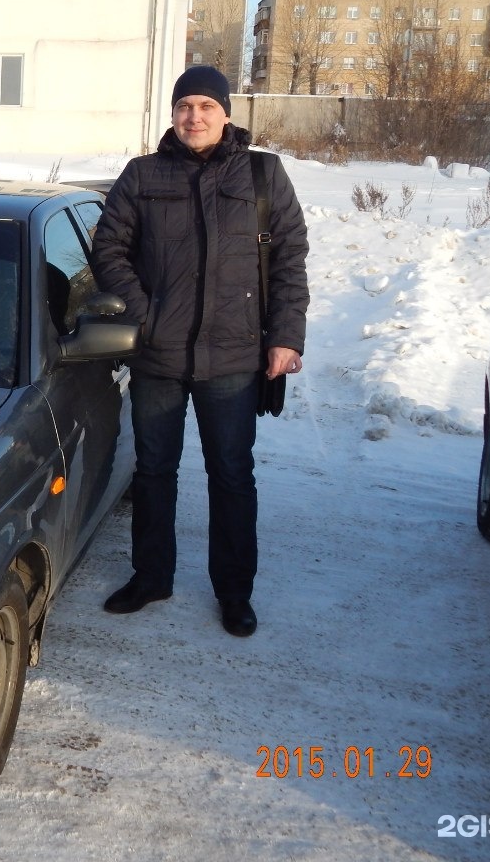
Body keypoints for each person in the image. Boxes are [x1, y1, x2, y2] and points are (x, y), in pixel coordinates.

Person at [90, 65, 309, 637]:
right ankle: (151, 577)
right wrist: (146, 314)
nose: (195, 116)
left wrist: (285, 335)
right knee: (155, 471)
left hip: (234, 358)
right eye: (185, 106)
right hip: (159, 355)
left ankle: (235, 592)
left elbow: (289, 259)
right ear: (173, 114)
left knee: (232, 475)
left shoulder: (263, 175)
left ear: (226, 114)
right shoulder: (142, 175)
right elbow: (108, 248)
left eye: (206, 107)